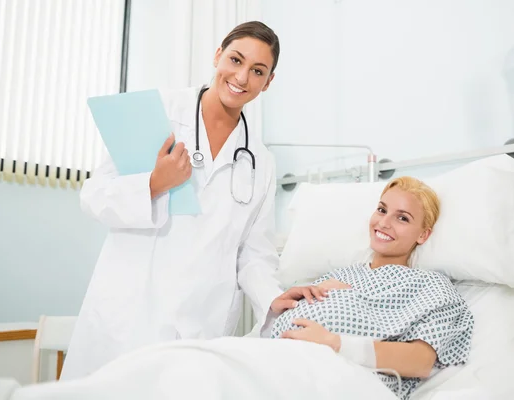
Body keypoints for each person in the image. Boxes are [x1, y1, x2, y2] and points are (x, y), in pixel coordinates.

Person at [62, 21, 326, 380]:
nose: (242, 77)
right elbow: (93, 197)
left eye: (258, 71)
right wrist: (154, 184)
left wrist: (271, 299)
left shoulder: (260, 160)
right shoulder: (159, 112)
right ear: (218, 55)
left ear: (269, 82)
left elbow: (254, 253)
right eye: (235, 60)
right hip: (130, 312)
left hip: (200, 323)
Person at [266, 177, 475, 400]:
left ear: (423, 235)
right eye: (382, 210)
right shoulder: (338, 274)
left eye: (402, 218)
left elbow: (420, 361)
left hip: (339, 380)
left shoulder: (431, 286)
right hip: (279, 362)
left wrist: (335, 343)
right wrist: (279, 308)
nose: (384, 223)